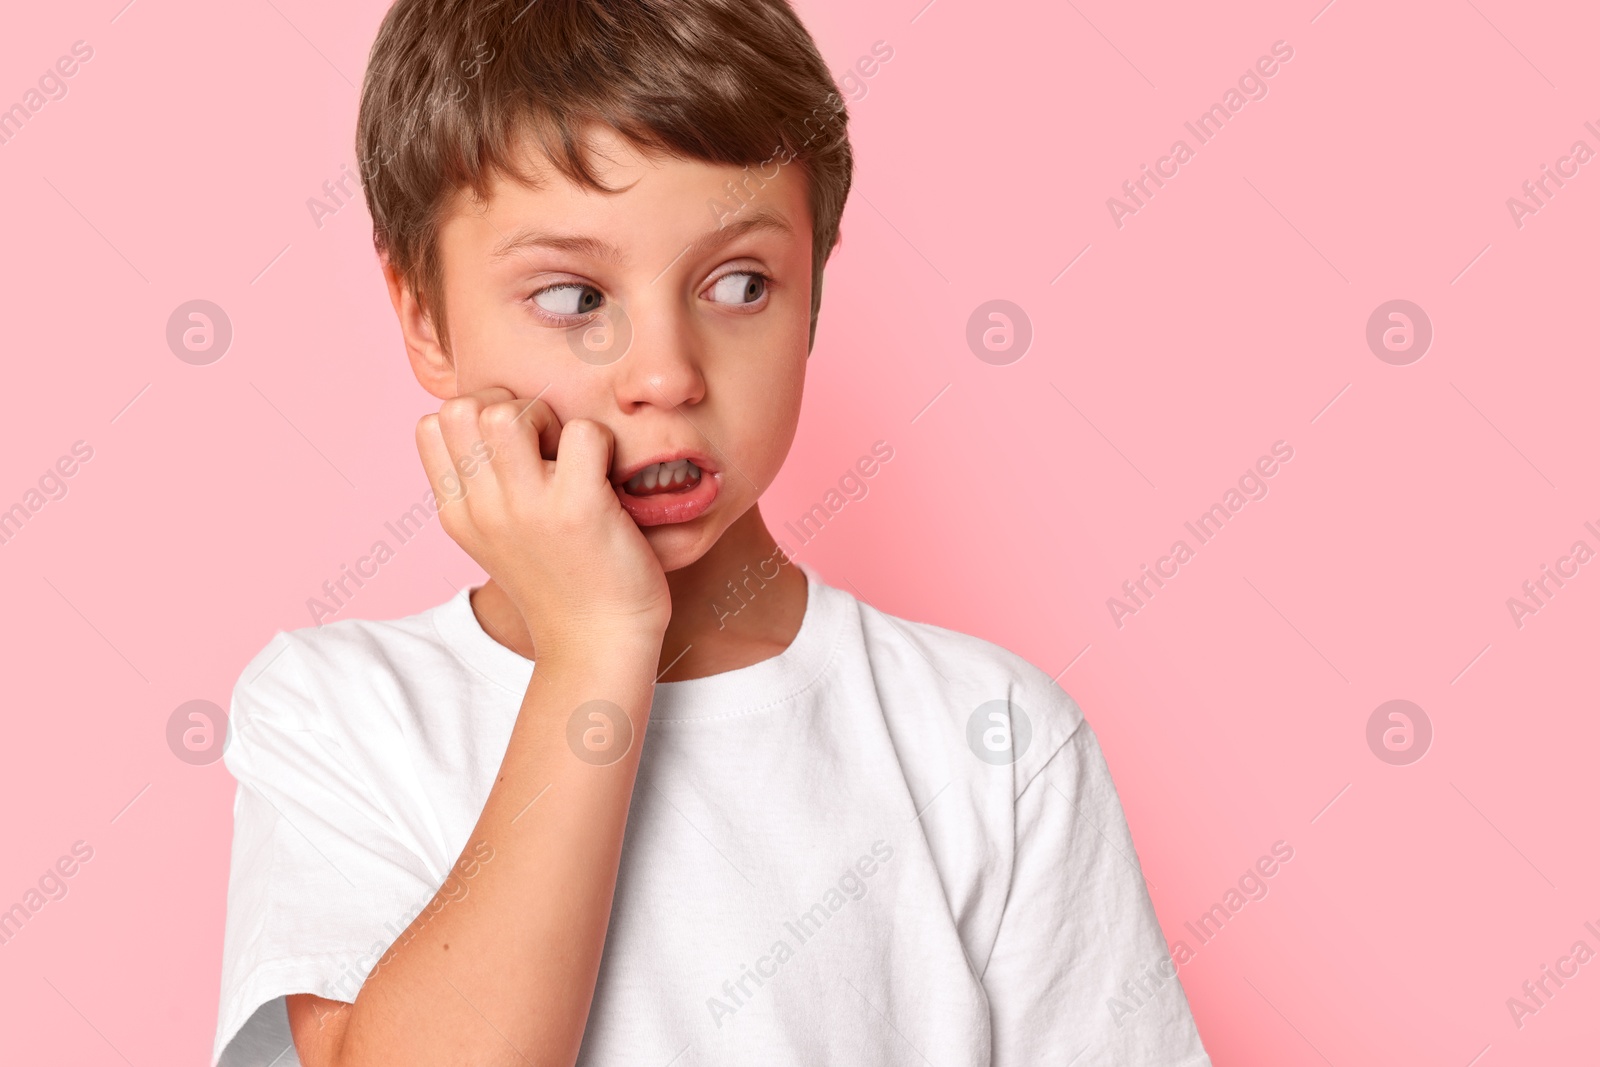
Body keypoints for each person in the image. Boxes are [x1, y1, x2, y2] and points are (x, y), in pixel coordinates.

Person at [212, 0, 1212, 1063]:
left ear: (815, 290)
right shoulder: (340, 713)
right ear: (424, 316)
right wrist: (597, 645)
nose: (665, 374)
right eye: (572, 295)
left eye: (739, 283)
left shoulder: (993, 740)